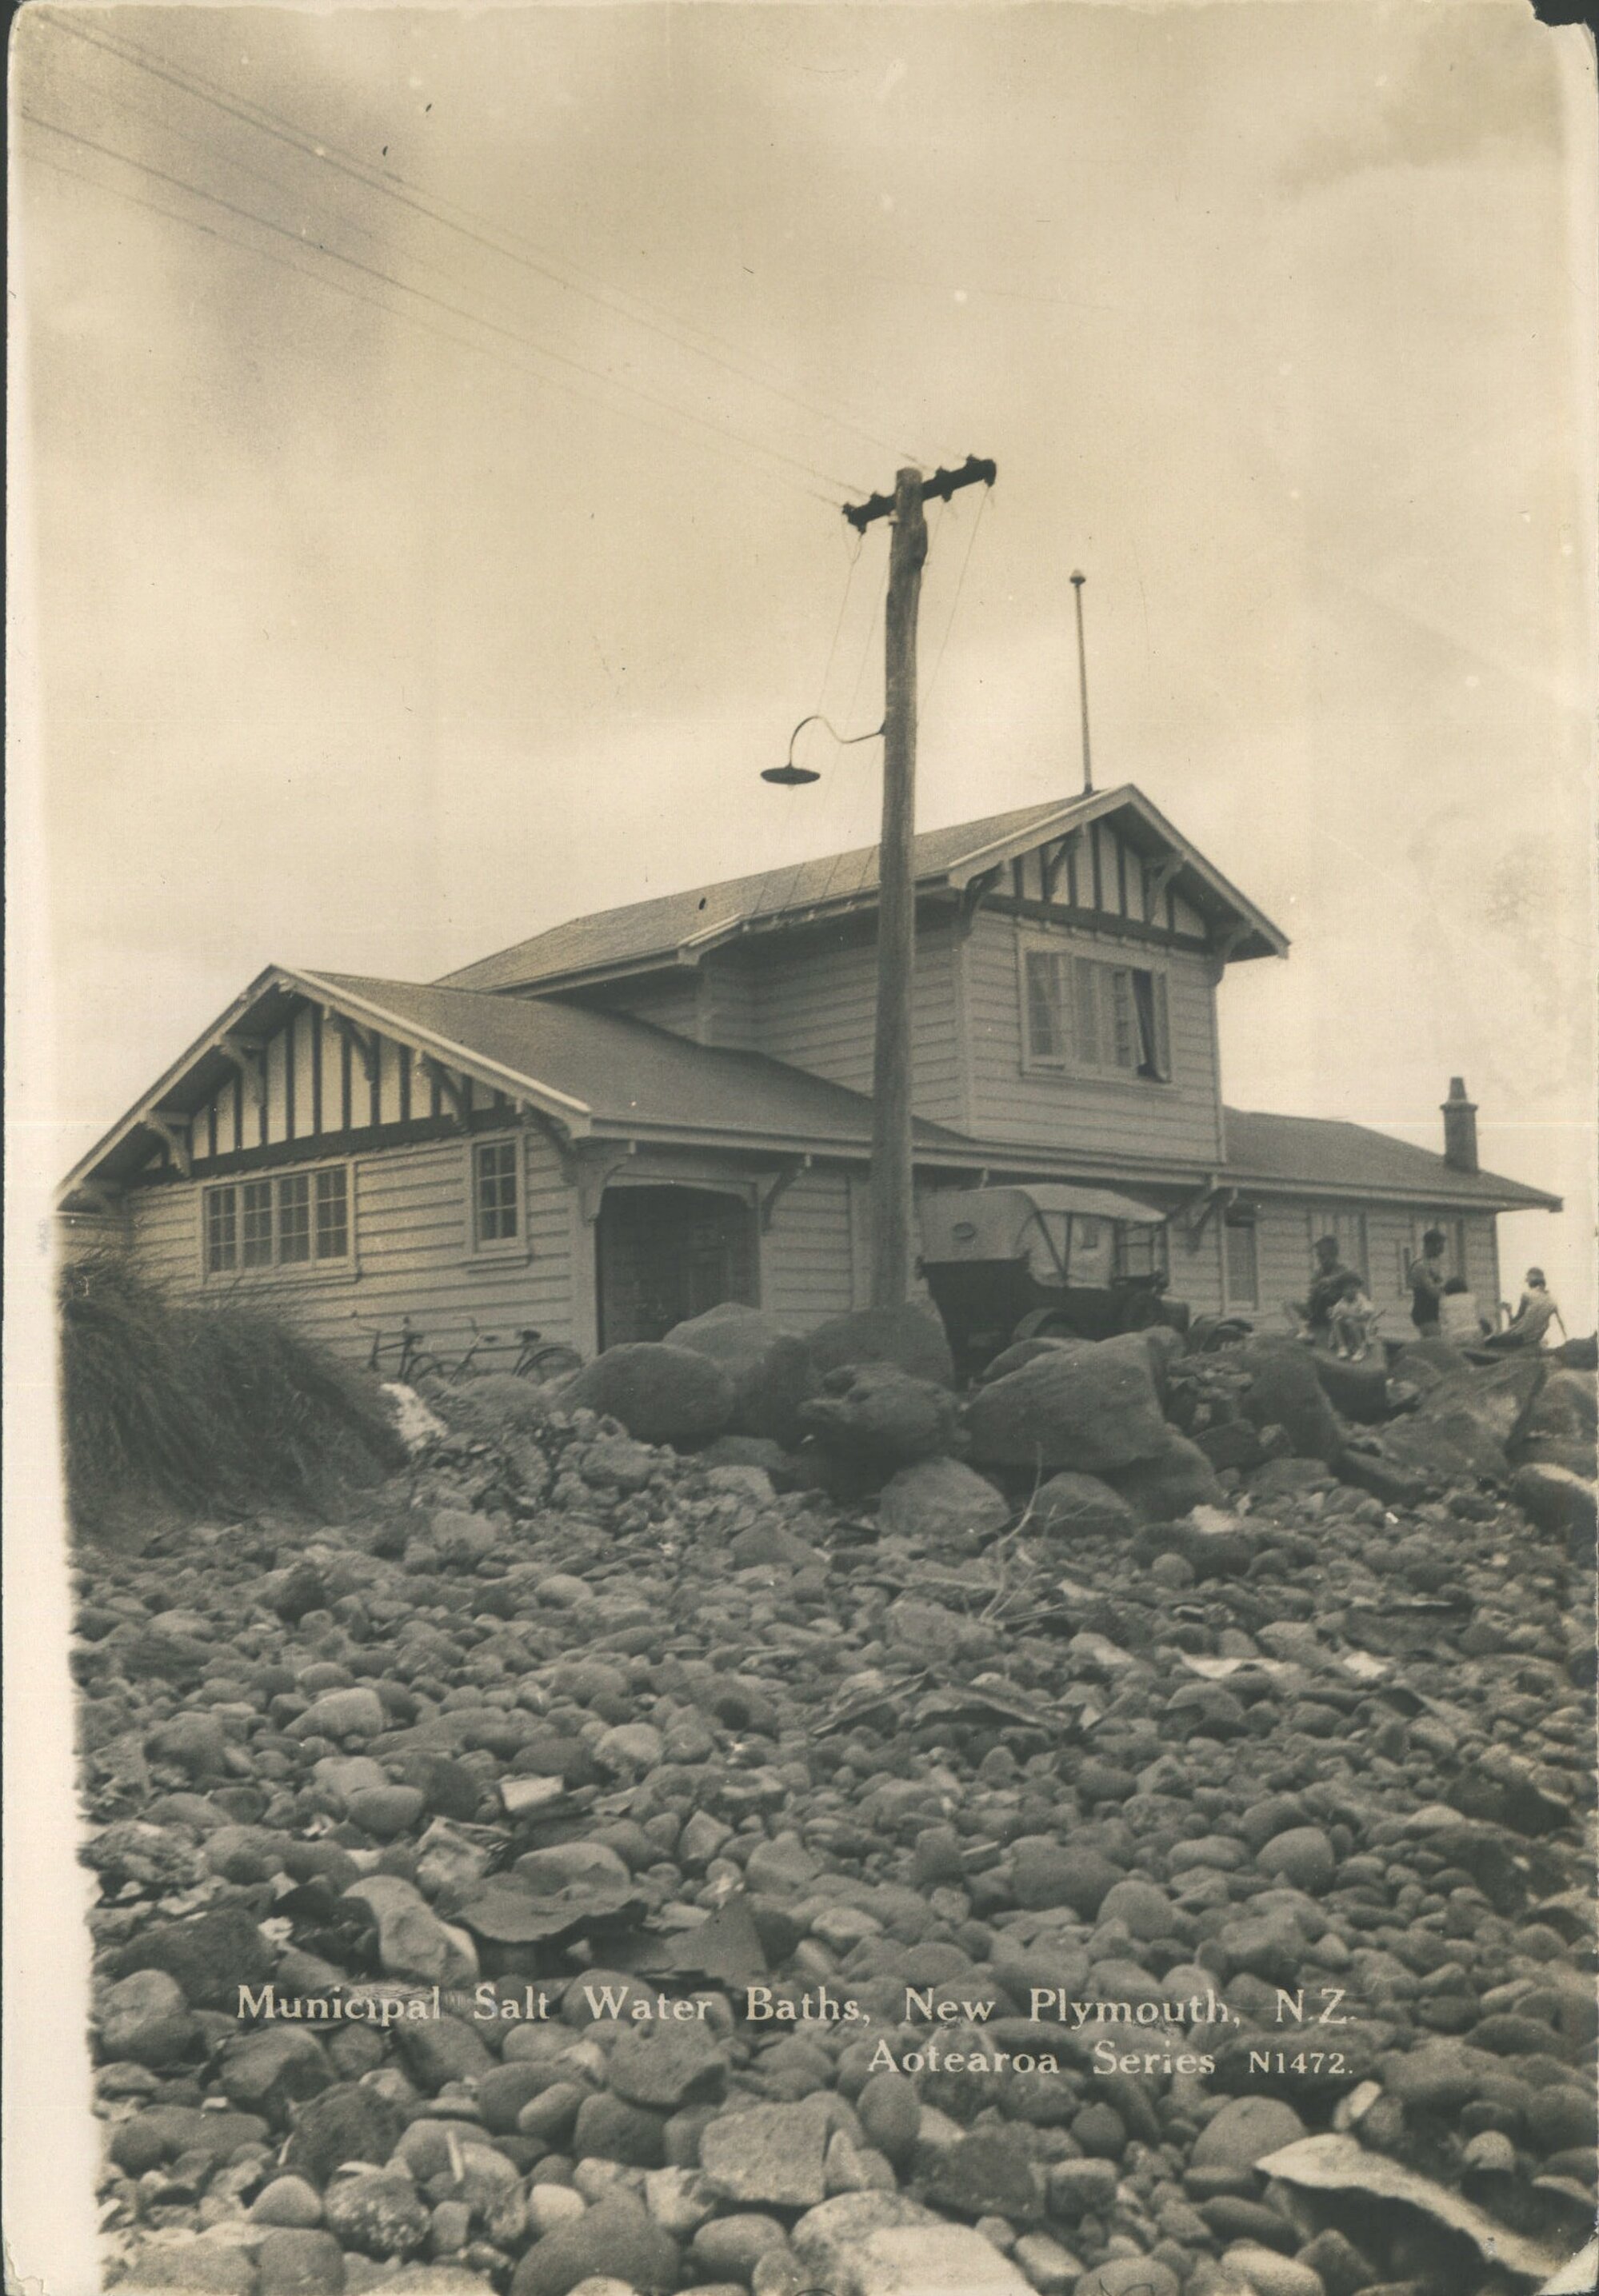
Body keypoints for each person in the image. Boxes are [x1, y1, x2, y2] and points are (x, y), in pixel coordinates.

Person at [1484, 1268, 1565, 1353]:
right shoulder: (1552, 1301)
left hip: (1521, 1339)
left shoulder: (1527, 1296)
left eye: (1529, 1279)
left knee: (1489, 1341)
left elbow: (1515, 1324)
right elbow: (1561, 1324)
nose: (1528, 1283)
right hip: (1532, 1339)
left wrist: (1509, 1312)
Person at [1293, 1234, 1357, 1337]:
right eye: (1319, 1257)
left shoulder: (1342, 1271)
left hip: (1333, 1316)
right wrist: (1314, 1293)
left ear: (1334, 1255)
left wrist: (1331, 1281)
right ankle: (1303, 1331)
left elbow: (1353, 1278)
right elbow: (1311, 1299)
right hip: (1316, 1313)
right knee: (1289, 1304)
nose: (1320, 1260)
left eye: (1323, 1256)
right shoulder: (1318, 1274)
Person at [1328, 1272, 1381, 1361]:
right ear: (1342, 1291)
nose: (1351, 1290)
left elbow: (1366, 1316)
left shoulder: (1361, 1300)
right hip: (1349, 1331)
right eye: (1347, 1288)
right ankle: (1342, 1347)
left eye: (1354, 1287)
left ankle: (1360, 1349)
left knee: (1351, 1322)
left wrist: (1350, 1315)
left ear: (1358, 1288)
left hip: (1364, 1329)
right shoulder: (1341, 1303)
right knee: (1337, 1320)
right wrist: (1332, 1313)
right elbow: (1334, 1315)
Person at [1407, 1229, 1449, 1338]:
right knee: (1434, 1344)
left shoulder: (1432, 1264)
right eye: (1440, 1245)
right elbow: (1433, 1292)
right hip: (1425, 1314)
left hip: (1433, 1313)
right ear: (1430, 1245)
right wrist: (1446, 1287)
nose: (1442, 1250)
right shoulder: (1421, 1266)